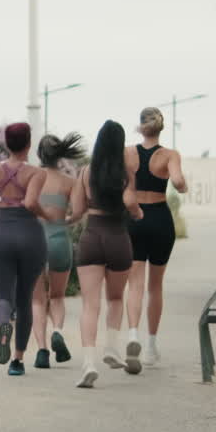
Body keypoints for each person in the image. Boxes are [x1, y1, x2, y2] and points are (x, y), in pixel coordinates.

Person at [70, 120, 143, 388]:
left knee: (90, 305)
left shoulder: (86, 172)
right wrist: (137, 212)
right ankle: (111, 348)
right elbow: (130, 203)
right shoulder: (125, 174)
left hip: (92, 238)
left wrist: (66, 220)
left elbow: (77, 210)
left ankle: (89, 363)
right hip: (117, 239)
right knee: (115, 298)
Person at [0, 122, 47, 377]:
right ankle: (17, 361)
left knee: (2, 294)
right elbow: (31, 202)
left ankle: (4, 325)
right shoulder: (36, 173)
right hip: (29, 234)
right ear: (28, 144)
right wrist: (48, 215)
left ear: (6, 143)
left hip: (0, 233)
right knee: (25, 298)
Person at [124, 107, 188, 367]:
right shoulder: (169, 155)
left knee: (135, 283)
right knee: (155, 286)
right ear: (161, 128)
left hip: (134, 219)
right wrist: (182, 183)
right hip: (160, 219)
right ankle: (150, 347)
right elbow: (179, 182)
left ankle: (132, 335)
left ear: (141, 126)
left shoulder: (127, 153)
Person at [29, 133, 86, 369]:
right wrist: (64, 221)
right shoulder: (68, 182)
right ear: (60, 155)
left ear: (40, 155)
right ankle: (58, 331)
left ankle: (42, 351)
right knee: (58, 296)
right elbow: (80, 211)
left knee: (37, 301)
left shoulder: (31, 178)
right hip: (60, 240)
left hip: (33, 242)